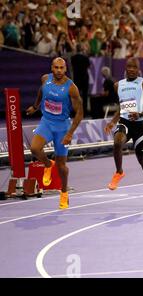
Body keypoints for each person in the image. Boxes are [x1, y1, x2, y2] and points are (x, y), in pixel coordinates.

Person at [25, 57, 84, 209]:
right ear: (52, 68)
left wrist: (70, 133)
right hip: (46, 122)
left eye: (61, 68)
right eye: (56, 67)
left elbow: (80, 113)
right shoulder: (45, 79)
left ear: (65, 69)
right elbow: (41, 91)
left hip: (62, 127)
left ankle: (64, 192)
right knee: (35, 149)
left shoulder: (71, 88)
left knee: (62, 166)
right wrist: (36, 106)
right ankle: (47, 165)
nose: (58, 70)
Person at [104, 58, 143, 200]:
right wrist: (112, 122)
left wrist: (140, 114)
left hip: (139, 125)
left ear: (139, 69)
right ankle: (119, 172)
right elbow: (123, 106)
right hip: (125, 122)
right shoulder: (117, 85)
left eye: (135, 67)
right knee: (117, 142)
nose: (132, 69)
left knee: (142, 159)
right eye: (129, 67)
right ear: (125, 68)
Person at [70, 45, 90, 117]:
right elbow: (88, 66)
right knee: (84, 96)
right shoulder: (85, 57)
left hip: (77, 79)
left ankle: (76, 112)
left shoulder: (73, 58)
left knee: (76, 96)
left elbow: (72, 67)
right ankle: (84, 112)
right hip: (84, 78)